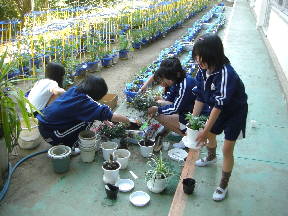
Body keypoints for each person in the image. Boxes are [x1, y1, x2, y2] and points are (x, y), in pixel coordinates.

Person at [192, 34, 248, 201]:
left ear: (213, 56)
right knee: (209, 135)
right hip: (218, 109)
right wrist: (193, 121)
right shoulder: (202, 70)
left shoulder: (226, 73)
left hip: (235, 112)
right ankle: (210, 157)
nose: (199, 64)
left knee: (227, 149)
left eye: (202, 61)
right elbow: (201, 96)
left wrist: (204, 129)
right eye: (197, 59)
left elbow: (218, 106)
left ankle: (223, 184)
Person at [36, 75, 135, 151]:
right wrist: (128, 121)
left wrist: (103, 118)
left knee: (89, 116)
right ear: (96, 95)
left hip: (44, 125)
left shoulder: (75, 90)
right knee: (87, 121)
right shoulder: (85, 102)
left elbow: (99, 111)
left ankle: (68, 142)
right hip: (52, 134)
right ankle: (71, 147)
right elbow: (111, 115)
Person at [147, 57, 200, 147]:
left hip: (196, 118)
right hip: (188, 110)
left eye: (166, 78)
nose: (165, 81)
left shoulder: (185, 85)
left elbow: (175, 108)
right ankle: (182, 129)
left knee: (159, 115)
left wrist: (157, 109)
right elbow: (170, 100)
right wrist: (159, 101)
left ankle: (189, 137)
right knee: (161, 105)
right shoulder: (178, 79)